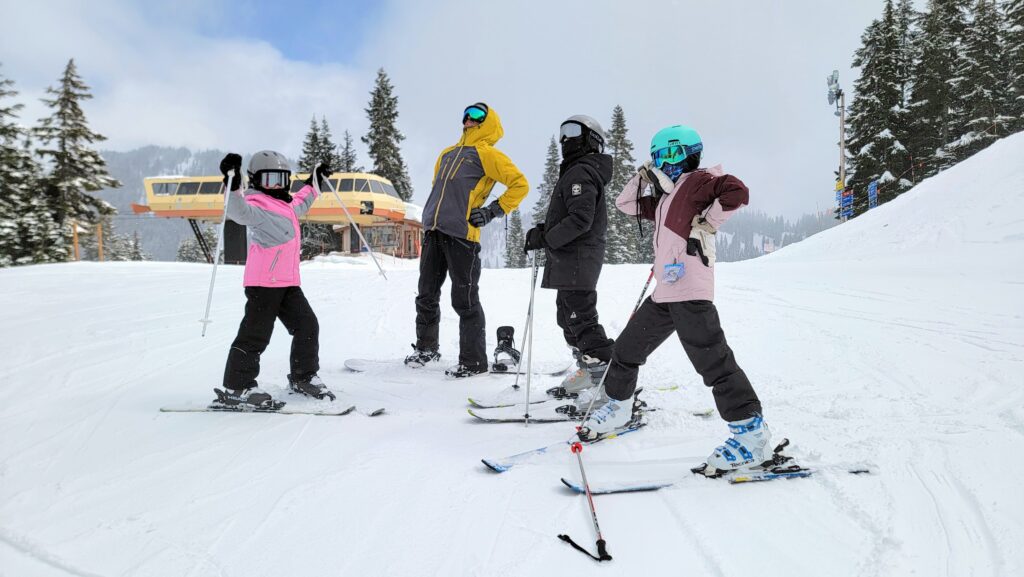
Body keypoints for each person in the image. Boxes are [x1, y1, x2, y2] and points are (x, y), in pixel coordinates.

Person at [578, 125, 771, 477]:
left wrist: (709, 220)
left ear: (690, 152)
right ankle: (620, 408)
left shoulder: (699, 181)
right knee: (626, 350)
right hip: (665, 292)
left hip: (691, 290)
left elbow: (737, 190)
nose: (665, 163)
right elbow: (625, 204)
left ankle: (751, 436)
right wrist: (642, 176)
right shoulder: (666, 196)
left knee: (714, 362)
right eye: (658, 157)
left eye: (671, 154)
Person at [406, 103, 529, 378]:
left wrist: (492, 211)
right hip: (434, 232)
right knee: (426, 295)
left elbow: (520, 184)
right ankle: (426, 349)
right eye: (466, 115)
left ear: (488, 122)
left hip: (463, 236)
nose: (469, 120)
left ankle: (473, 361)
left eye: (476, 116)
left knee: (465, 300)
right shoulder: (447, 154)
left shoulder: (488, 155)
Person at [213, 151, 335, 409]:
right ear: (256, 181)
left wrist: (315, 181)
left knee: (307, 326)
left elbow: (303, 199)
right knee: (255, 335)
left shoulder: (287, 204)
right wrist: (232, 184)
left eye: (280, 179)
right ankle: (238, 387)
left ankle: (303, 376)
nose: (276, 185)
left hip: (288, 283)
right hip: (263, 285)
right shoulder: (255, 205)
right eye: (269, 179)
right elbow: (237, 211)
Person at [523, 115, 615, 398]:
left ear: (592, 139)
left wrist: (547, 238)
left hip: (577, 258)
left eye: (573, 131)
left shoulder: (581, 172)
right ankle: (588, 368)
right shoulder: (576, 171)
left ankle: (607, 377)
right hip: (570, 258)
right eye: (562, 131)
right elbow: (572, 216)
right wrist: (543, 231)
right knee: (568, 316)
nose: (565, 138)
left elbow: (581, 219)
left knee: (580, 317)